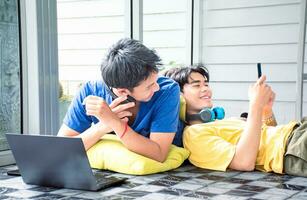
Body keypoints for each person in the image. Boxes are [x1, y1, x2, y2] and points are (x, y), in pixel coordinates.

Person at [164, 64, 307, 176]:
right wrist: (255, 105)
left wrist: (266, 111)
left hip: (295, 134)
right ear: (179, 96)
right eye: (197, 85)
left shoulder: (226, 121)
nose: (206, 89)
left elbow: (269, 136)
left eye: (206, 84)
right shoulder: (193, 134)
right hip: (293, 147)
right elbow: (244, 162)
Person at [58, 38, 183, 163]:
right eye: (150, 86)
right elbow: (62, 149)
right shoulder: (90, 91)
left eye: (156, 80)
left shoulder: (167, 90)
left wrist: (115, 123)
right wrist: (102, 127)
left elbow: (159, 153)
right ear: (123, 91)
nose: (157, 87)